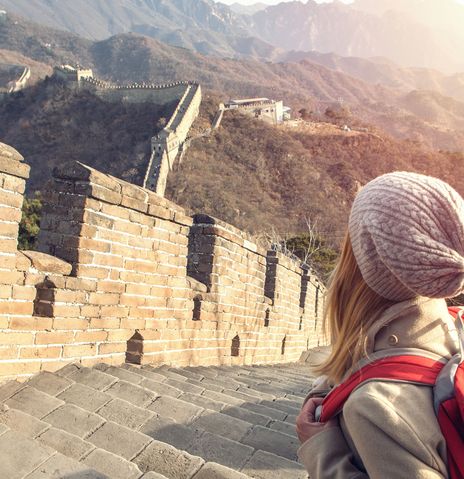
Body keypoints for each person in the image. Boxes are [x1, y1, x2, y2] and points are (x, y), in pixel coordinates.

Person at [296, 171, 464, 479]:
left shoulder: (375, 407)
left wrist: (322, 450)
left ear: (359, 265)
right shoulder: (454, 326)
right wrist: (338, 381)